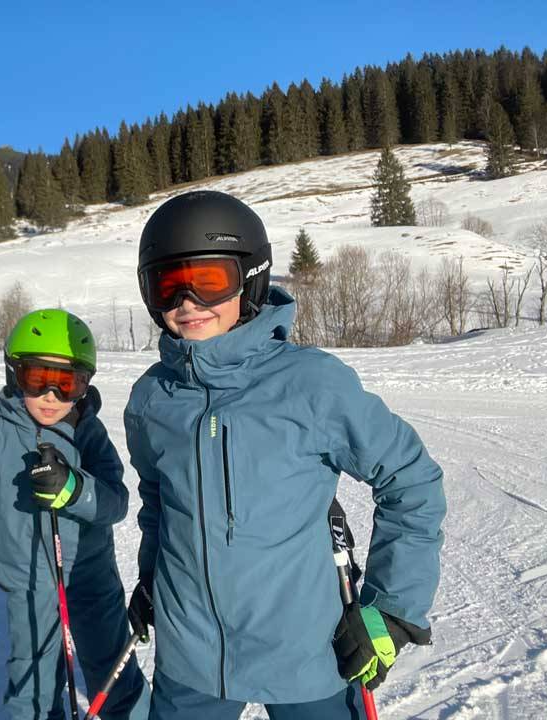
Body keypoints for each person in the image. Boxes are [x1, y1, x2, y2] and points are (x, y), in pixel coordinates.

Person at [122, 191, 447, 719]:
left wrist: (391, 608)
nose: (186, 300)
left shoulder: (311, 384)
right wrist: (152, 579)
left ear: (250, 278)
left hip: (306, 653)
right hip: (190, 660)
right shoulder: (151, 399)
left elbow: (411, 479)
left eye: (208, 282)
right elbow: (159, 505)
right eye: (167, 283)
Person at [0, 309, 149, 720]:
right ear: (15, 374)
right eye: (37, 379)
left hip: (90, 575)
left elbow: (115, 501)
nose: (51, 396)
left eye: (66, 383)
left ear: (83, 386)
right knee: (33, 686)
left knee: (115, 677)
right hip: (28, 581)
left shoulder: (88, 432)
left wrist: (74, 489)